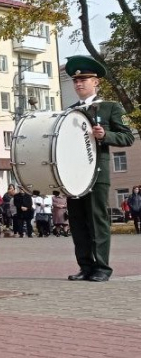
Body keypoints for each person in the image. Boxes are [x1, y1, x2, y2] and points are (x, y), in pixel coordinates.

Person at [64, 56, 134, 282]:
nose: (78, 84)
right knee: (77, 221)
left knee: (97, 219)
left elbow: (127, 137)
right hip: (73, 174)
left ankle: (102, 267)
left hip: (97, 171)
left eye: (84, 79)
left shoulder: (110, 107)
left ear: (97, 82)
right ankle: (85, 266)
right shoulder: (69, 111)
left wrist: (106, 135)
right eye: (75, 81)